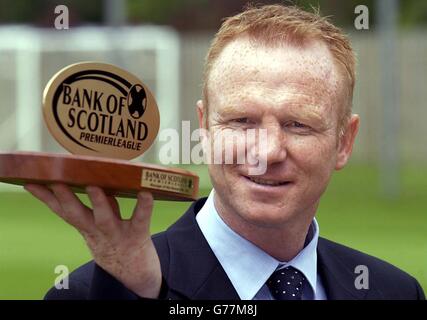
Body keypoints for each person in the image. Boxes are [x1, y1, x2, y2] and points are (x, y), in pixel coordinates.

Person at [25, 4, 424, 300]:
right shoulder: (97, 292)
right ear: (204, 129)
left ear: (344, 142)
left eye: (297, 124)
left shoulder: (395, 291)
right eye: (241, 122)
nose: (266, 152)